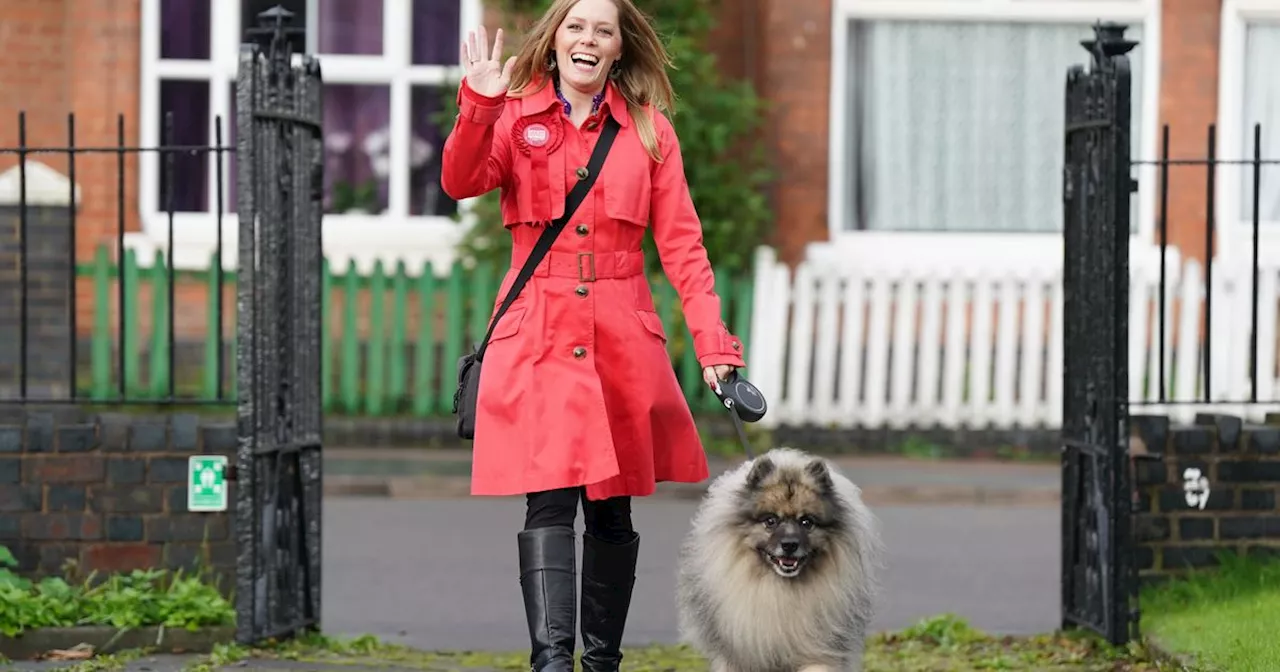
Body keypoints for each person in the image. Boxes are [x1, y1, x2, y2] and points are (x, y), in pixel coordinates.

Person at [440, 0, 746, 669]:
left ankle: (601, 661)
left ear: (617, 48)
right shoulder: (513, 115)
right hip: (537, 332)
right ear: (554, 42)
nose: (588, 39)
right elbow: (461, 180)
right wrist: (480, 104)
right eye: (576, 26)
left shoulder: (650, 131)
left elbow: (684, 249)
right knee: (547, 499)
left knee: (611, 510)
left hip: (620, 335)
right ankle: (552, 662)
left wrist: (715, 348)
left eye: (602, 30)